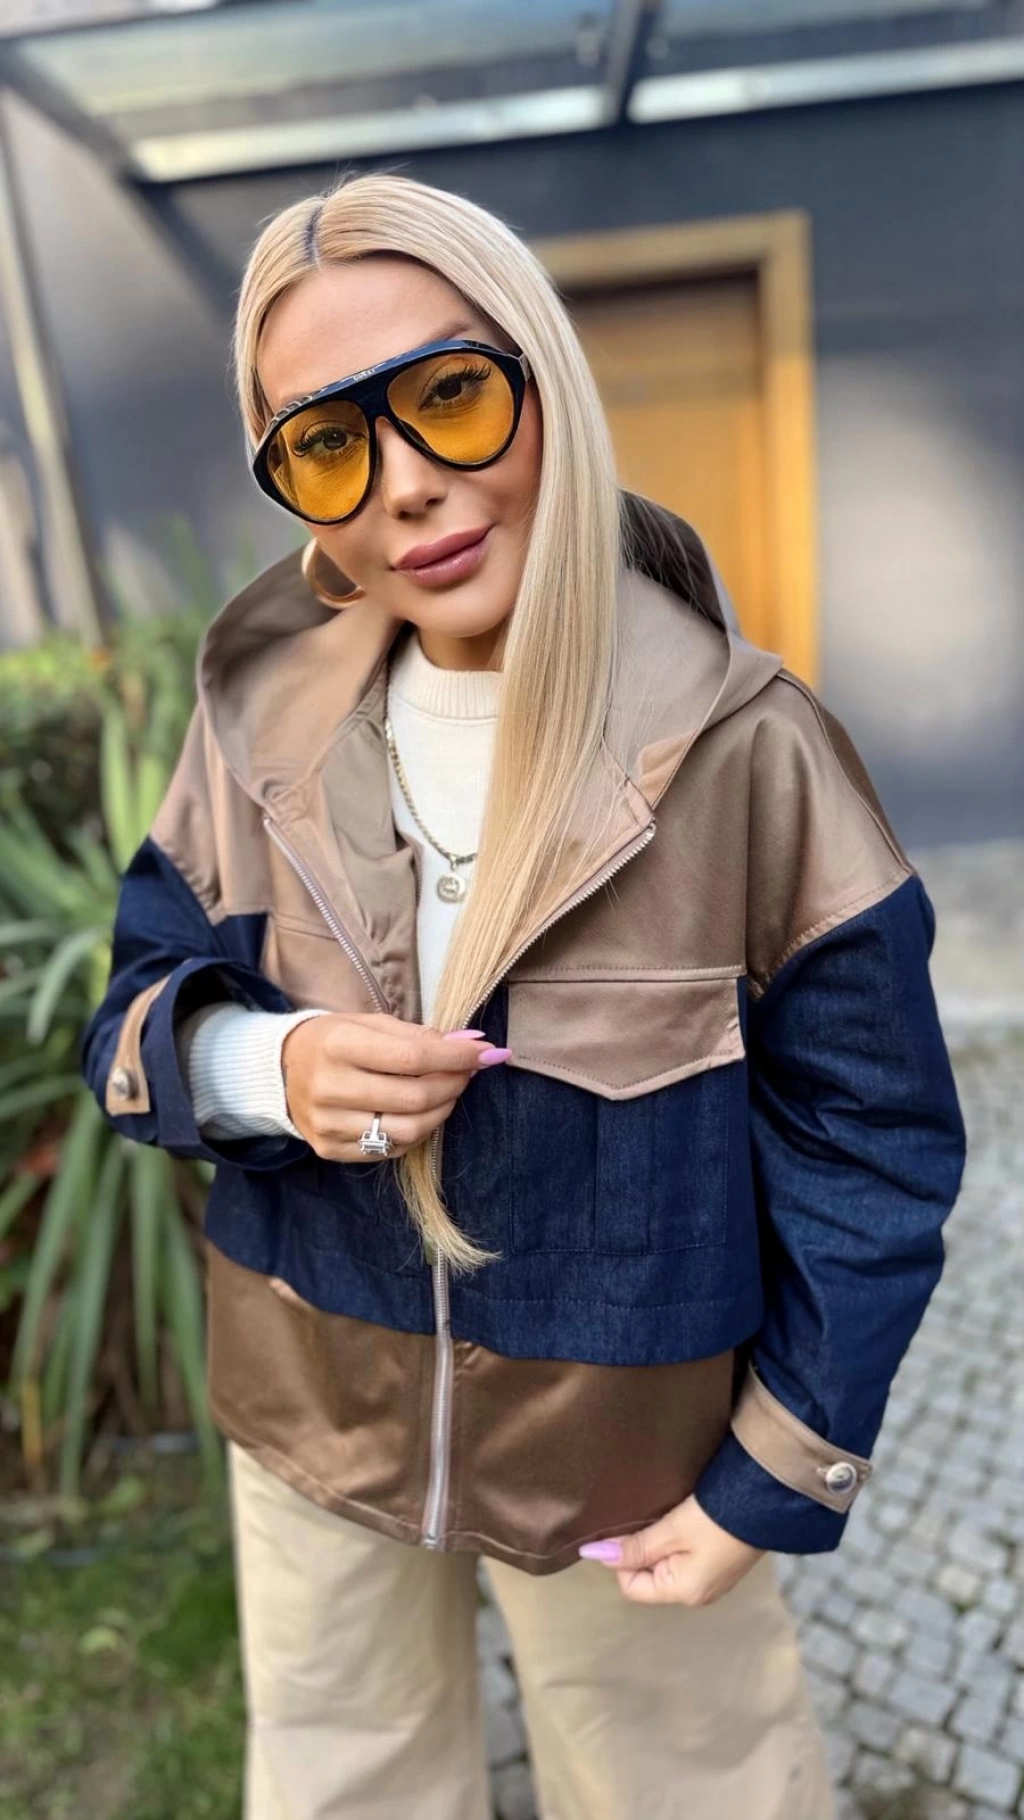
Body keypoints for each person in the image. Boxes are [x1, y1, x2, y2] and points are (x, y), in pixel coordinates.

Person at [82, 171, 967, 1820]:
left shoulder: (749, 753)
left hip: (627, 1456)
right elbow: (132, 1020)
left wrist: (779, 1467)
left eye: (448, 394)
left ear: (543, 375)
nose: (408, 482)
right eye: (328, 444)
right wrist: (264, 1066)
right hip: (313, 1423)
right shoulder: (255, 724)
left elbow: (876, 1144)